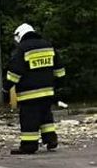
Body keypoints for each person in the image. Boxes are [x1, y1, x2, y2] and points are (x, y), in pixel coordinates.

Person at [8, 23, 63, 155]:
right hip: (48, 91)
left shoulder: (22, 49)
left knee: (29, 120)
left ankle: (29, 146)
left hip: (29, 94)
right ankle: (51, 139)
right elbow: (60, 70)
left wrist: (6, 87)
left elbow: (15, 72)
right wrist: (57, 85)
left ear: (20, 35)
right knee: (45, 116)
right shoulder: (48, 45)